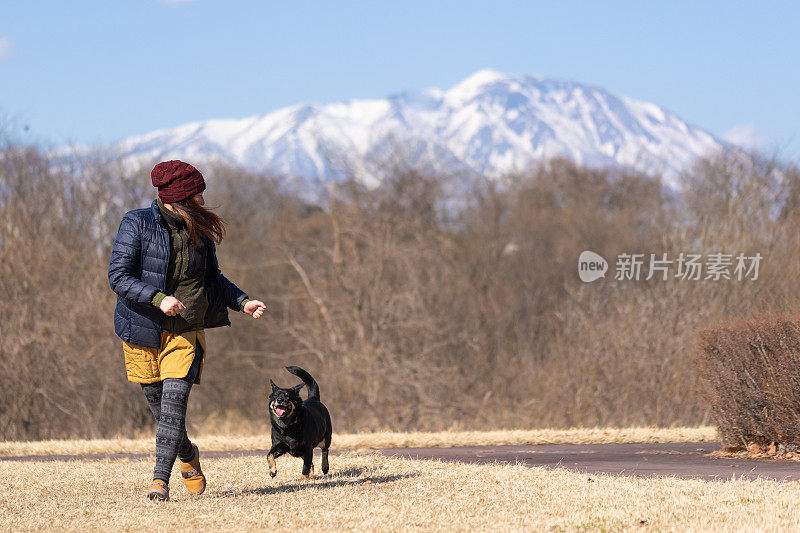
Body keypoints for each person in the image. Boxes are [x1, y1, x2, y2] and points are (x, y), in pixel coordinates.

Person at [108, 160, 266, 501]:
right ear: (179, 197)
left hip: (186, 331)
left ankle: (159, 482)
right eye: (196, 194)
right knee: (163, 414)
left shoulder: (200, 230)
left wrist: (242, 301)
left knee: (174, 406)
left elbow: (213, 279)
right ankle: (188, 455)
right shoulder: (136, 223)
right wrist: (158, 298)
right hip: (142, 331)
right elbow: (118, 277)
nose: (202, 200)